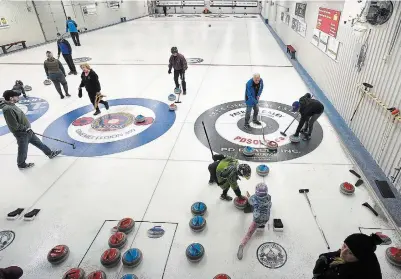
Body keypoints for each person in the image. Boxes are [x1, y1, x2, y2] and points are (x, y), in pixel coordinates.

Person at [0, 90, 61, 169]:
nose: (18, 97)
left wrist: (27, 128)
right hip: (22, 133)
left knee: (39, 143)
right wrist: (25, 128)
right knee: (23, 149)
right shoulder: (8, 109)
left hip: (27, 131)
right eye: (16, 96)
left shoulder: (12, 105)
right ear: (11, 98)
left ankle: (50, 153)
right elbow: (14, 125)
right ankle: (21, 164)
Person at [312, 233, 383, 279]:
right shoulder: (356, 256)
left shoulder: (360, 273)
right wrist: (325, 258)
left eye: (350, 253)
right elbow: (338, 255)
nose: (342, 252)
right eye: (344, 246)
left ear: (360, 259)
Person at [237, 182, 272, 260]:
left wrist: (248, 197)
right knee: (262, 220)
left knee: (249, 234)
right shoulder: (269, 197)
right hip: (266, 218)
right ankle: (262, 225)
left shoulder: (253, 198)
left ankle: (242, 245)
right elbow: (270, 204)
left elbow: (250, 201)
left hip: (257, 219)